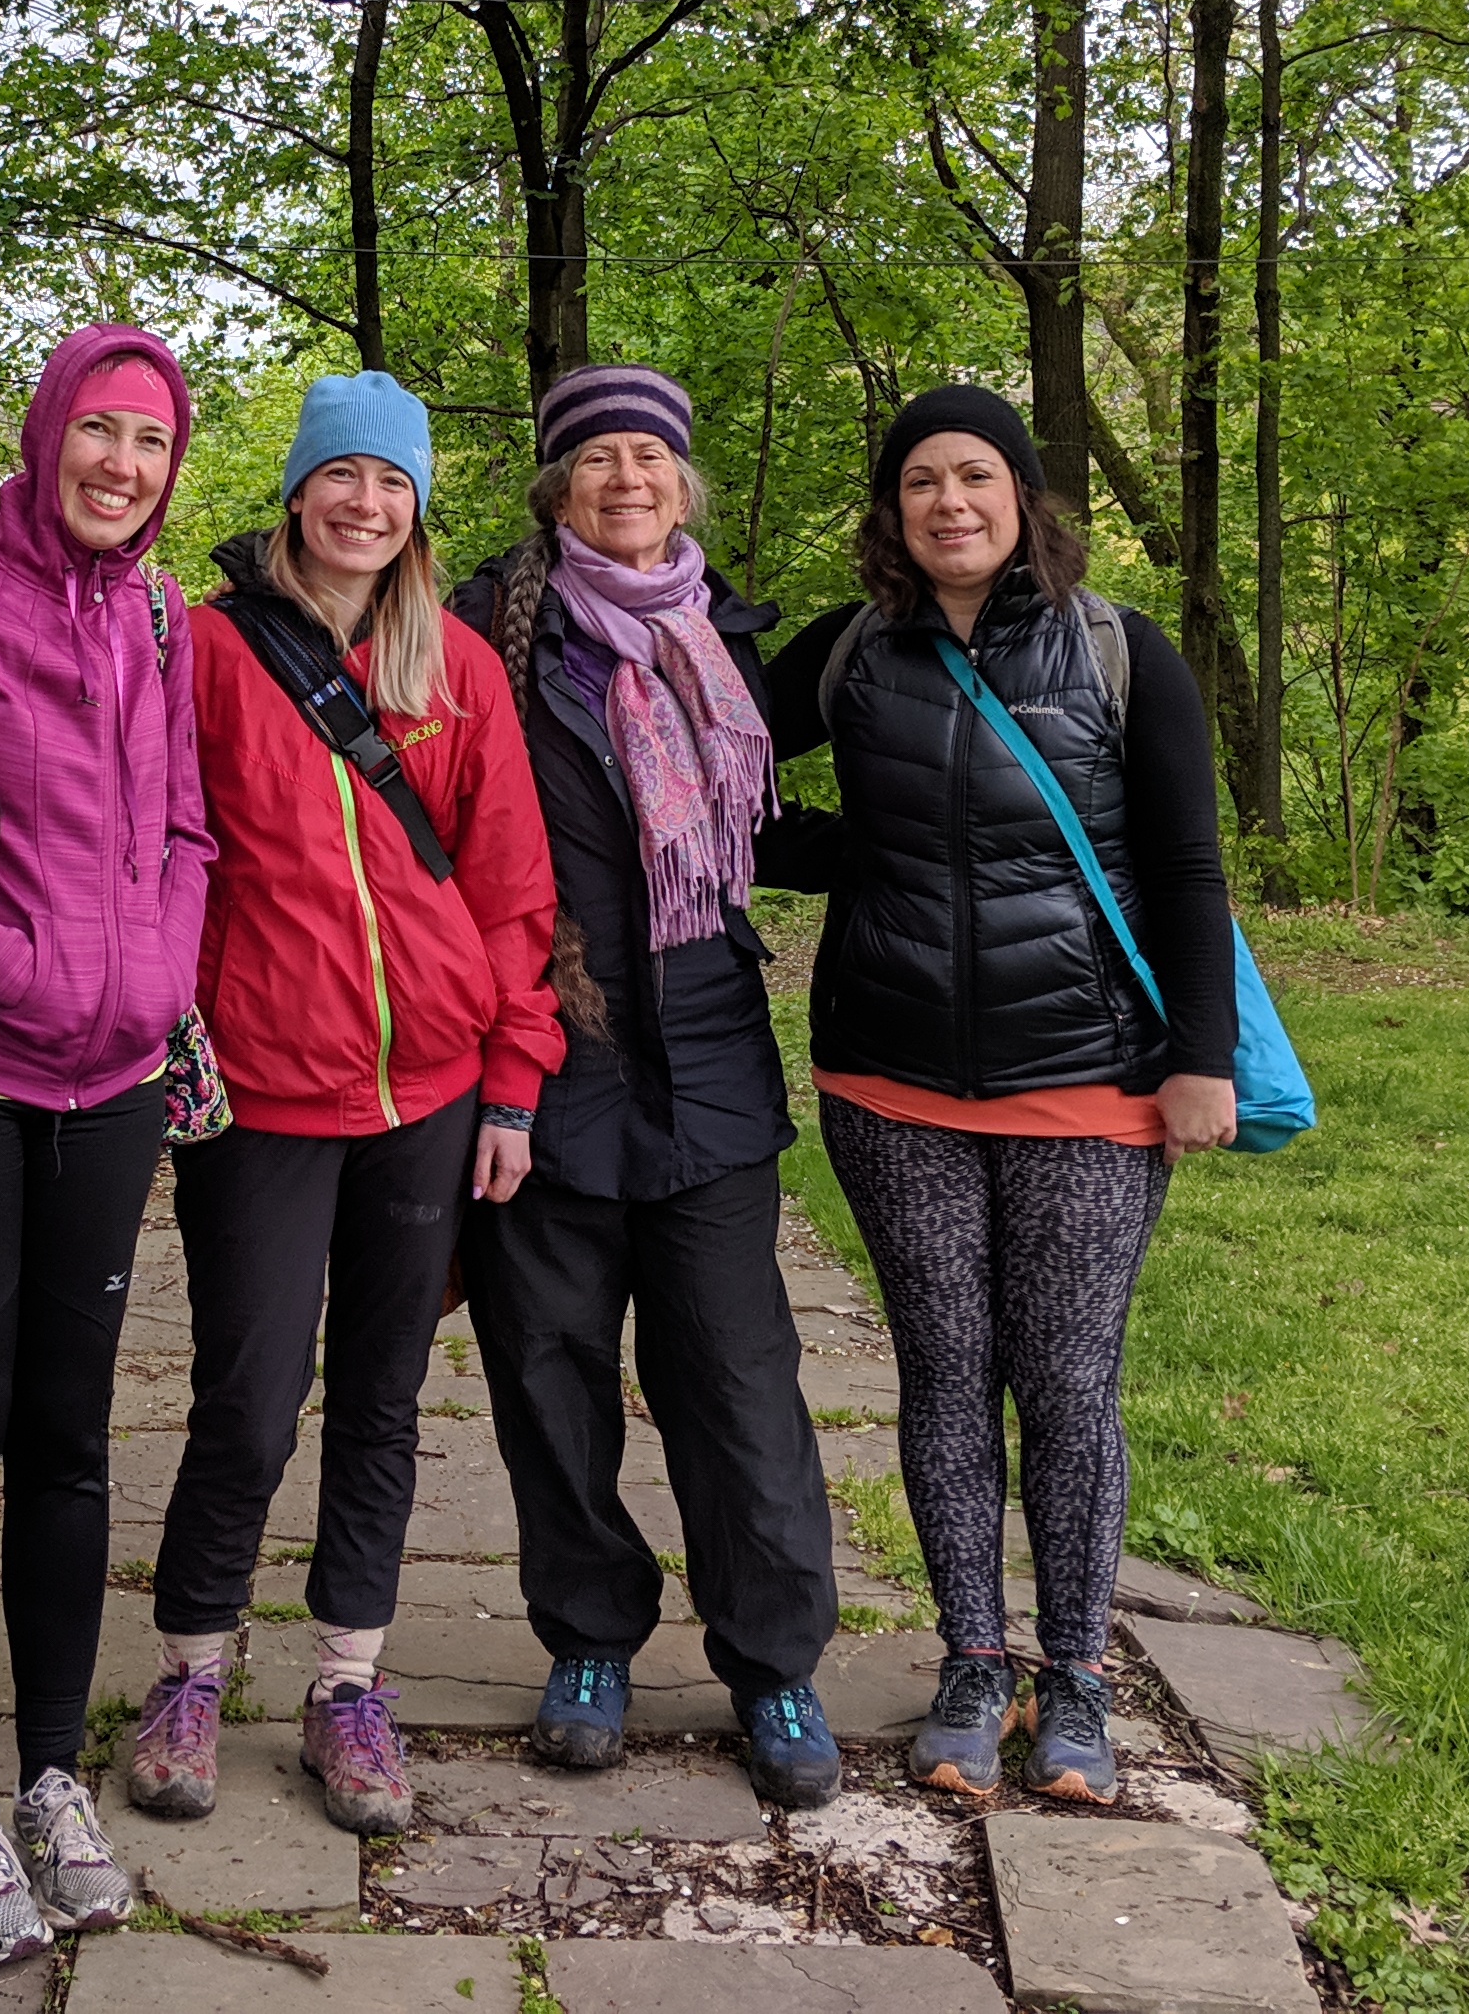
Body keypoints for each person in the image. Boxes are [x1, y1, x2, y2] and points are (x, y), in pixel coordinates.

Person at [765, 383, 1238, 1807]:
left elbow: (1188, 868)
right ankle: (976, 1658)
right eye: (921, 483)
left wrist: (1200, 1058)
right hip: (890, 1079)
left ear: (1026, 498)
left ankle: (1078, 1675)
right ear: (891, 512)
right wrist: (860, 857)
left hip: (1088, 1080)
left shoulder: (1119, 651)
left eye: (976, 477)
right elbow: (701, 769)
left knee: (1071, 1380)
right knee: (946, 1377)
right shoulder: (848, 651)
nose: (949, 503)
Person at [122, 370, 563, 1840]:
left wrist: (512, 1079)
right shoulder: (207, 647)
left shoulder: (462, 674)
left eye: (393, 483)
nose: (365, 504)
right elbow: (166, 845)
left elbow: (512, 893)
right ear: (299, 490)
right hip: (263, 1087)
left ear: (418, 506)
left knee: (382, 1398)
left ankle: (351, 1685)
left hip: (431, 1092)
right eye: (342, 477)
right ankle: (190, 1670)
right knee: (246, 1399)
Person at [449, 363, 843, 1810]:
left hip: (714, 1066)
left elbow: (765, 829)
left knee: (739, 1384)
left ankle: (775, 1663)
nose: (627, 480)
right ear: (557, 488)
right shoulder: (490, 636)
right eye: (598, 459)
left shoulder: (726, 640)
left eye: (651, 459)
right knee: (550, 1379)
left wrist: (921, 857)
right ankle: (590, 1640)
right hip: (550, 1059)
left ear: (683, 485)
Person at [0, 326, 210, 1966]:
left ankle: (51, 1778)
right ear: (46, 434)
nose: (122, 466)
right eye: (100, 432)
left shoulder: (167, 618)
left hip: (117, 1079)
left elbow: (191, 824)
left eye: (151, 442)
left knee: (72, 1445)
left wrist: (166, 968)